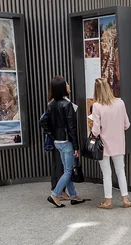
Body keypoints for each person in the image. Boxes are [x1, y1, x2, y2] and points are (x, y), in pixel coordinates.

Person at [40, 76, 86, 207]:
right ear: (62, 88)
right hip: (67, 142)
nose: (69, 86)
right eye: (67, 85)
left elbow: (43, 121)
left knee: (67, 169)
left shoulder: (51, 104)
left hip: (57, 142)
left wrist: (52, 135)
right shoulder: (67, 105)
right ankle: (55, 195)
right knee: (68, 171)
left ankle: (74, 196)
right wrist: (76, 147)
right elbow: (72, 128)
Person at [90, 78, 131, 209]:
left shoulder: (97, 106)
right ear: (108, 88)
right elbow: (127, 125)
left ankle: (108, 201)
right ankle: (125, 200)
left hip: (103, 146)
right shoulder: (120, 103)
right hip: (119, 143)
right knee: (121, 171)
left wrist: (93, 127)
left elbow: (96, 131)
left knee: (106, 173)